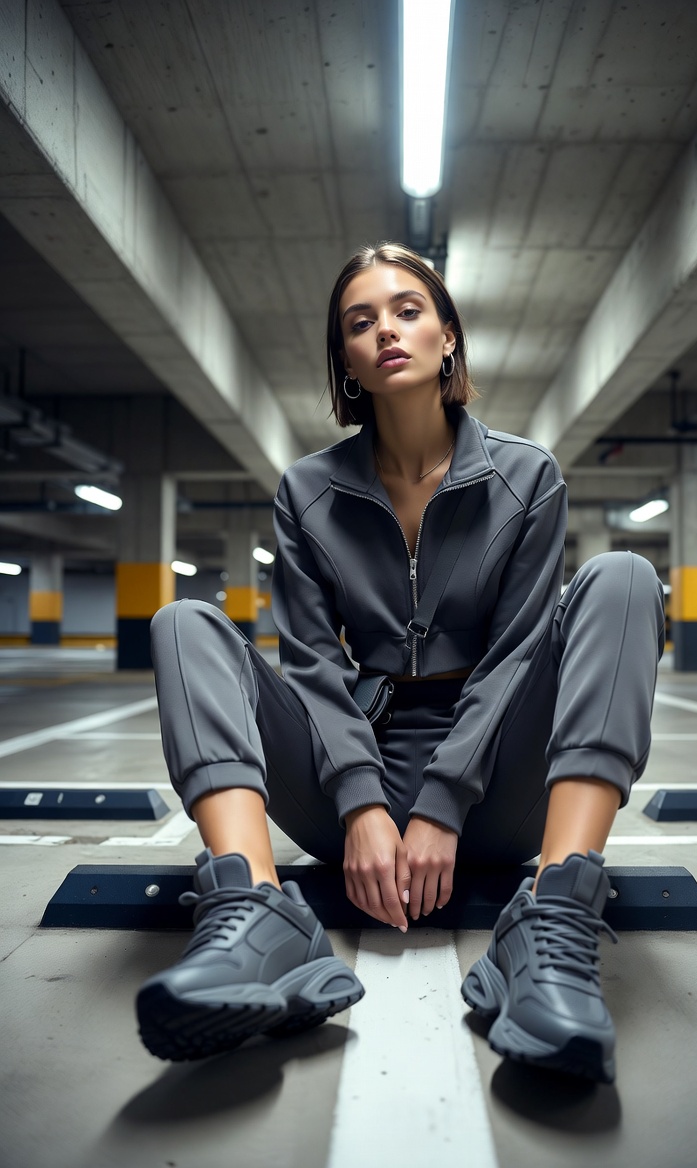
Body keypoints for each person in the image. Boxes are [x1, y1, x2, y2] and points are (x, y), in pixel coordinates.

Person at [136, 242, 664, 1082]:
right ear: (346, 359)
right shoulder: (307, 491)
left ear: (447, 337)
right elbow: (312, 663)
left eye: (408, 310)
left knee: (626, 578)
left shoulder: (528, 478)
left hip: (499, 793)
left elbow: (517, 654)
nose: (386, 329)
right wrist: (361, 804)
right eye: (360, 321)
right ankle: (257, 910)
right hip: (351, 794)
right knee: (182, 621)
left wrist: (445, 801)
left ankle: (555, 914)